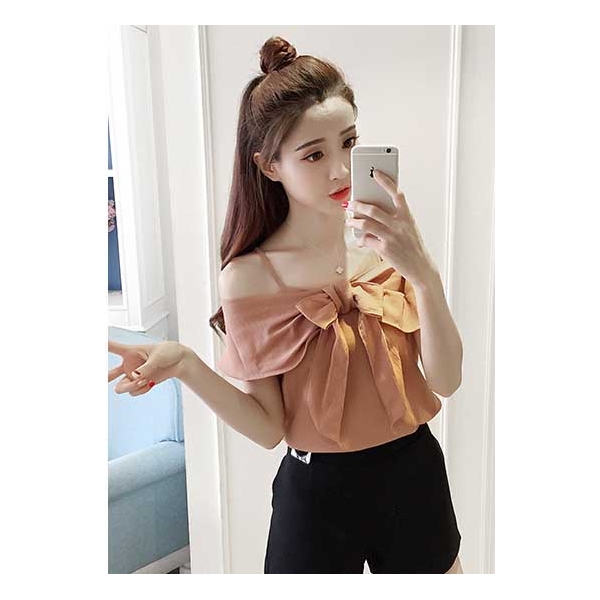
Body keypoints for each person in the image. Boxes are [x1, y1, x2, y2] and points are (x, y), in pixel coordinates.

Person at [108, 36, 464, 574]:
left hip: (413, 475)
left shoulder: (388, 244)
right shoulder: (248, 277)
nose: (340, 170)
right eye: (314, 154)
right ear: (270, 165)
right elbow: (269, 427)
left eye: (349, 143)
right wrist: (184, 363)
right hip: (316, 496)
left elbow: (446, 379)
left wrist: (424, 274)